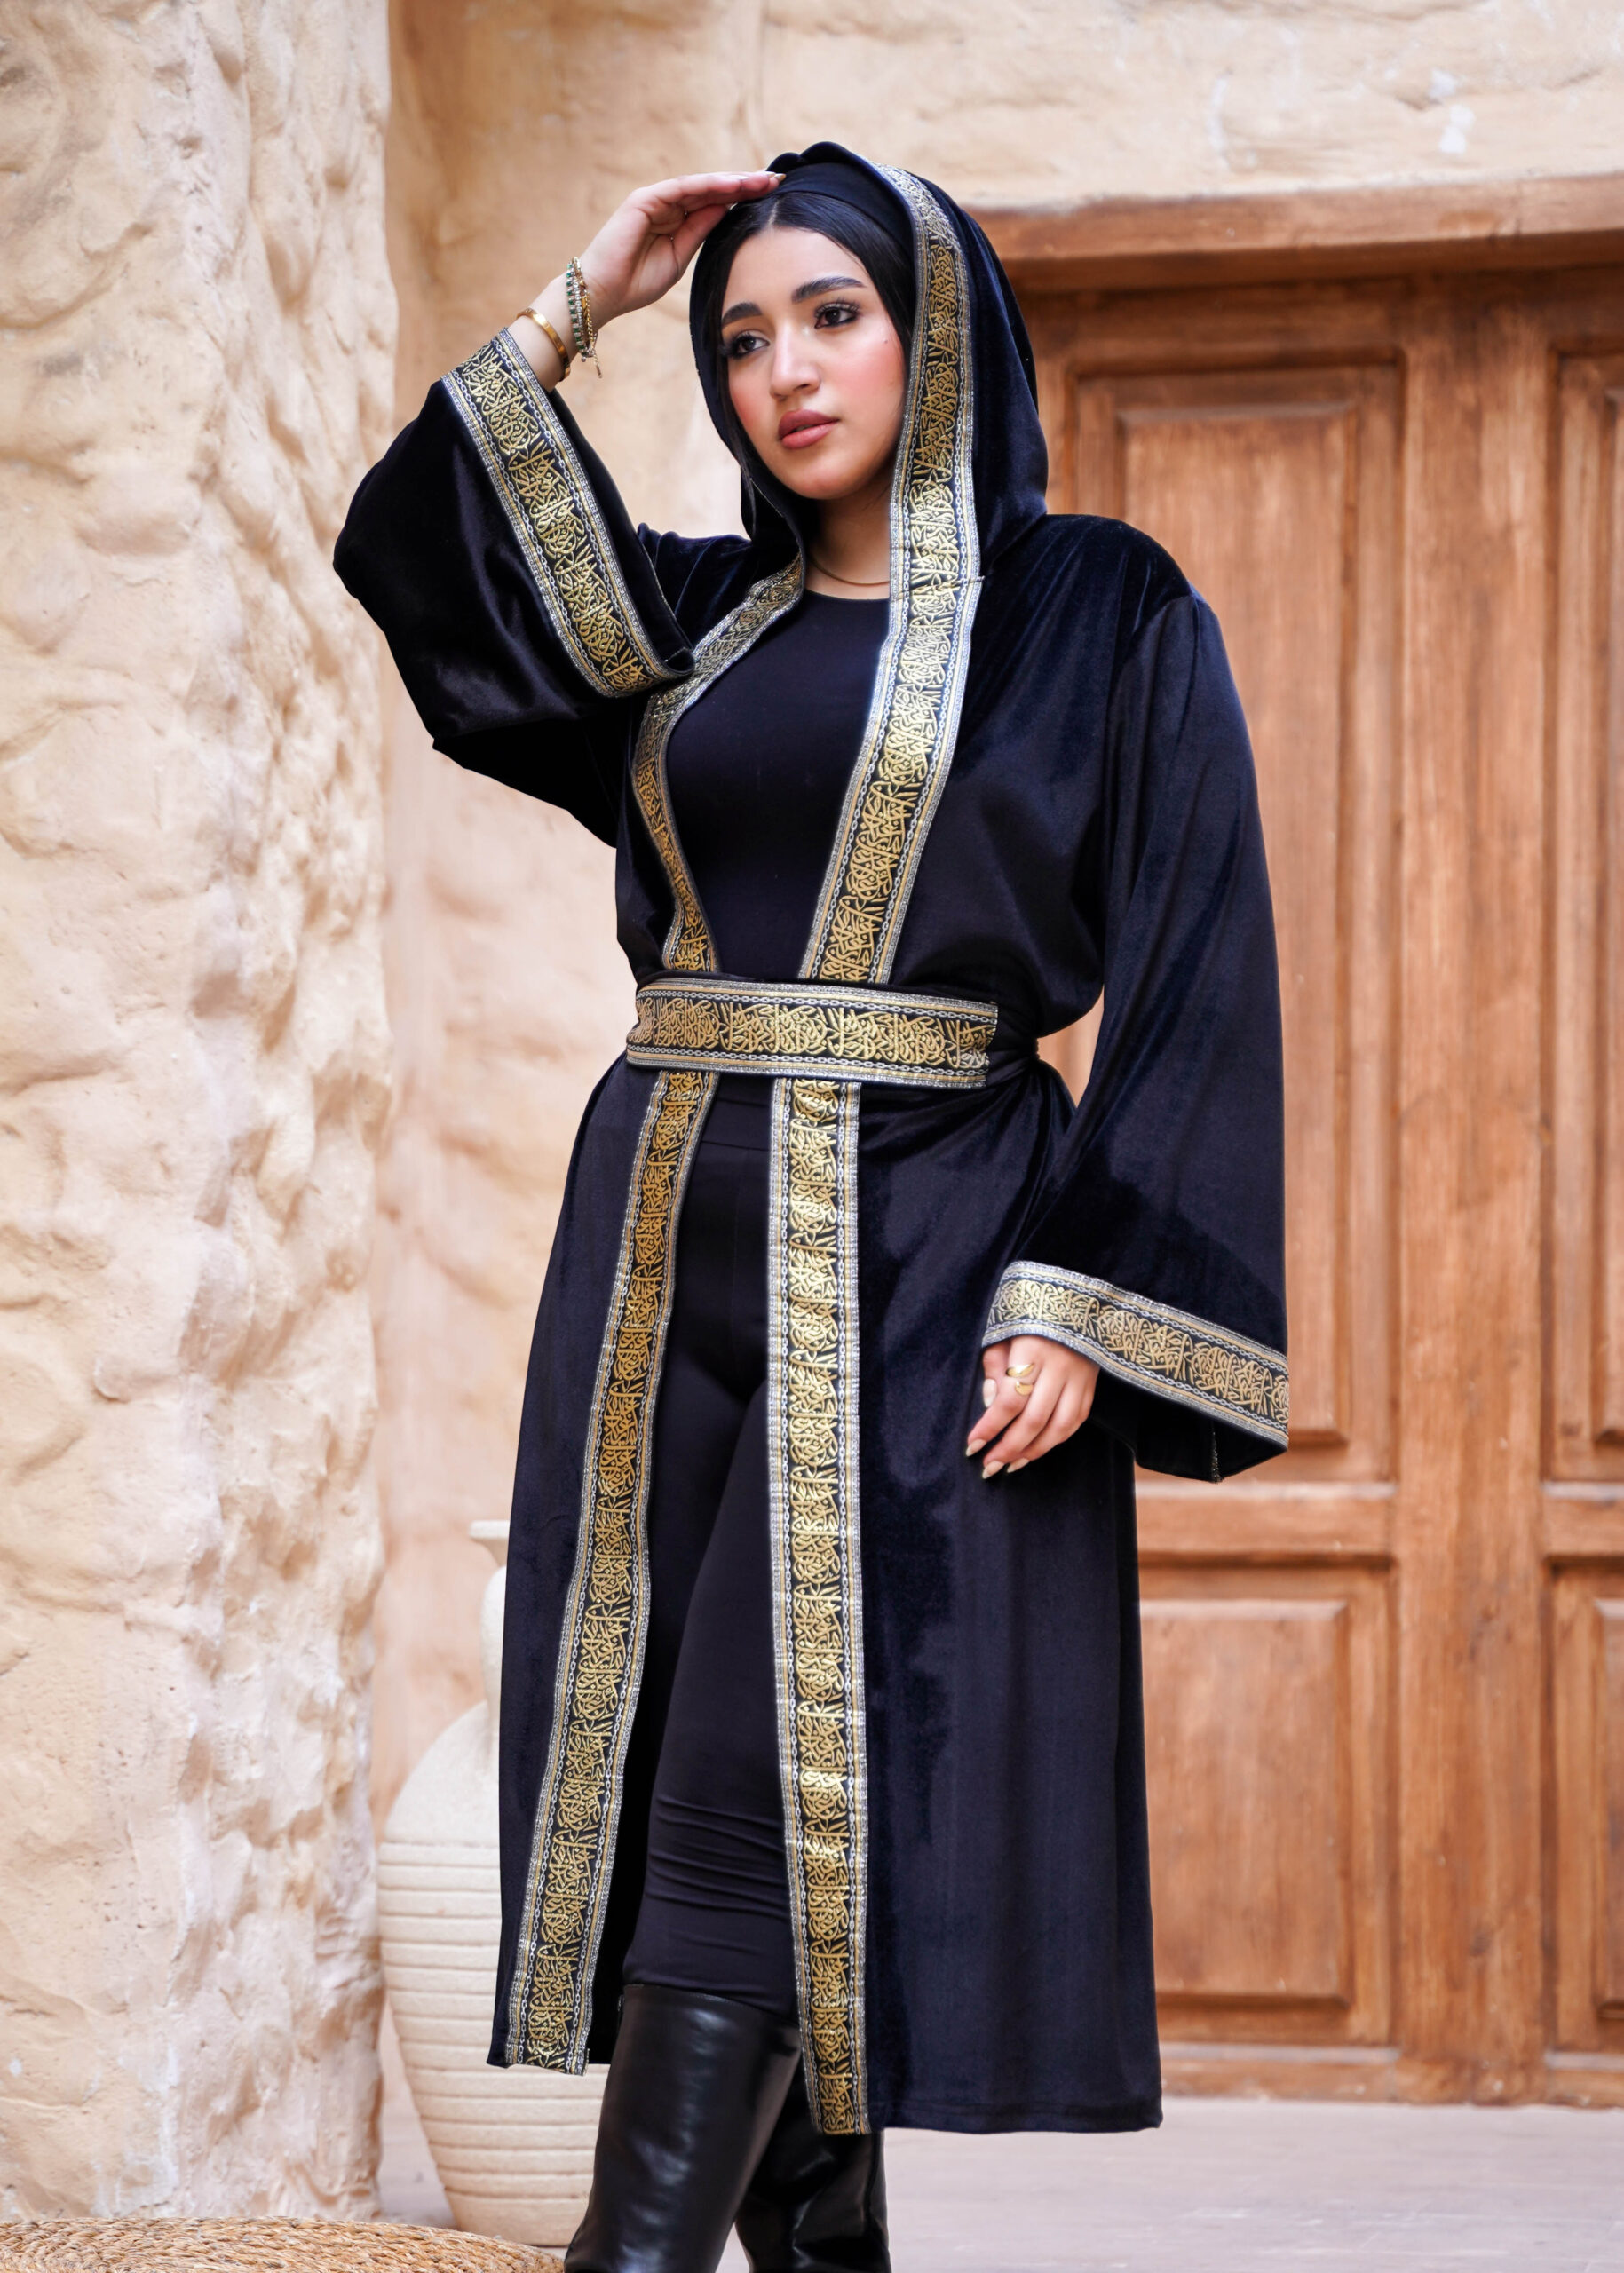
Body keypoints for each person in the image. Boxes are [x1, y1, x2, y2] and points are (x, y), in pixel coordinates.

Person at [336, 144, 1287, 2273]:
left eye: (834, 315)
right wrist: (586, 293)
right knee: (706, 1757)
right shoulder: (697, 618)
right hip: (662, 1258)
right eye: (746, 334)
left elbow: (1197, 959)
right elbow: (429, 553)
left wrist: (1083, 1290)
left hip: (933, 1260)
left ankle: (631, 2251)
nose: (786, 369)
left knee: (760, 1791)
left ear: (935, 325)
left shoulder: (1095, 611)